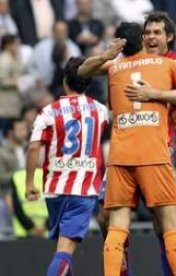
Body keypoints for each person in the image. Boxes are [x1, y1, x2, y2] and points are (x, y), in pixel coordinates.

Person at [78, 22, 176, 276]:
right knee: (171, 223)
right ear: (142, 39)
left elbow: (82, 71)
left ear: (120, 44)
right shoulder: (169, 65)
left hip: (120, 156)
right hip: (154, 153)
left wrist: (107, 54)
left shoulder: (113, 67)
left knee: (117, 226)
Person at [25, 57, 108, 275]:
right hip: (82, 189)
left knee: (61, 251)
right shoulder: (100, 110)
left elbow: (34, 148)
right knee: (65, 251)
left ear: (64, 81)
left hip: (54, 190)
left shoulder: (49, 111)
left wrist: (29, 183)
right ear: (88, 83)